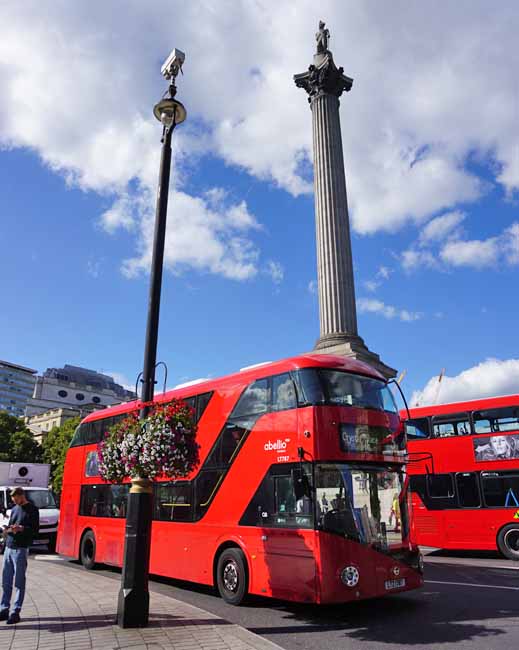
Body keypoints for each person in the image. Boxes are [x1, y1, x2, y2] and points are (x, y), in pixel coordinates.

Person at [0, 487, 39, 625]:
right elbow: (12, 525)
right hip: (9, 548)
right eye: (13, 499)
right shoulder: (15, 509)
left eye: (16, 499)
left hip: (21, 549)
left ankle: (15, 612)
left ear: (22, 496)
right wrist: (7, 530)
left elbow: (35, 531)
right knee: (5, 581)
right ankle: (4, 609)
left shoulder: (33, 510)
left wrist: (22, 529)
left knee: (19, 582)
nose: (14, 502)